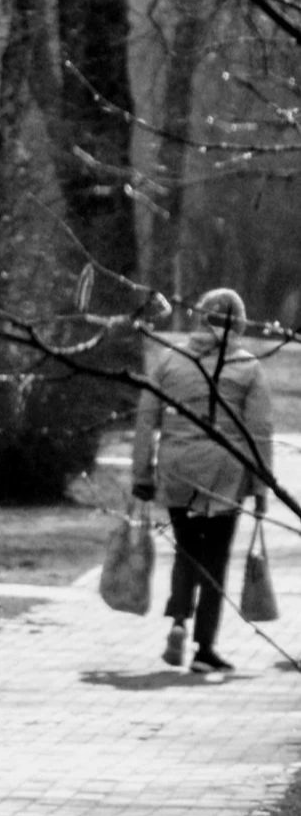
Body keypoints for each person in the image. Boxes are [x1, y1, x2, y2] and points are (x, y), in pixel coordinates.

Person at [132, 287, 275, 675]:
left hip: (178, 468)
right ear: (240, 324)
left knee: (187, 551)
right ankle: (204, 648)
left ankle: (178, 620)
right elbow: (258, 432)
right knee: (216, 558)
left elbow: (147, 417)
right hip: (224, 474)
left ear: (199, 317)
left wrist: (141, 474)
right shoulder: (247, 366)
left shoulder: (170, 360)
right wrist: (261, 487)